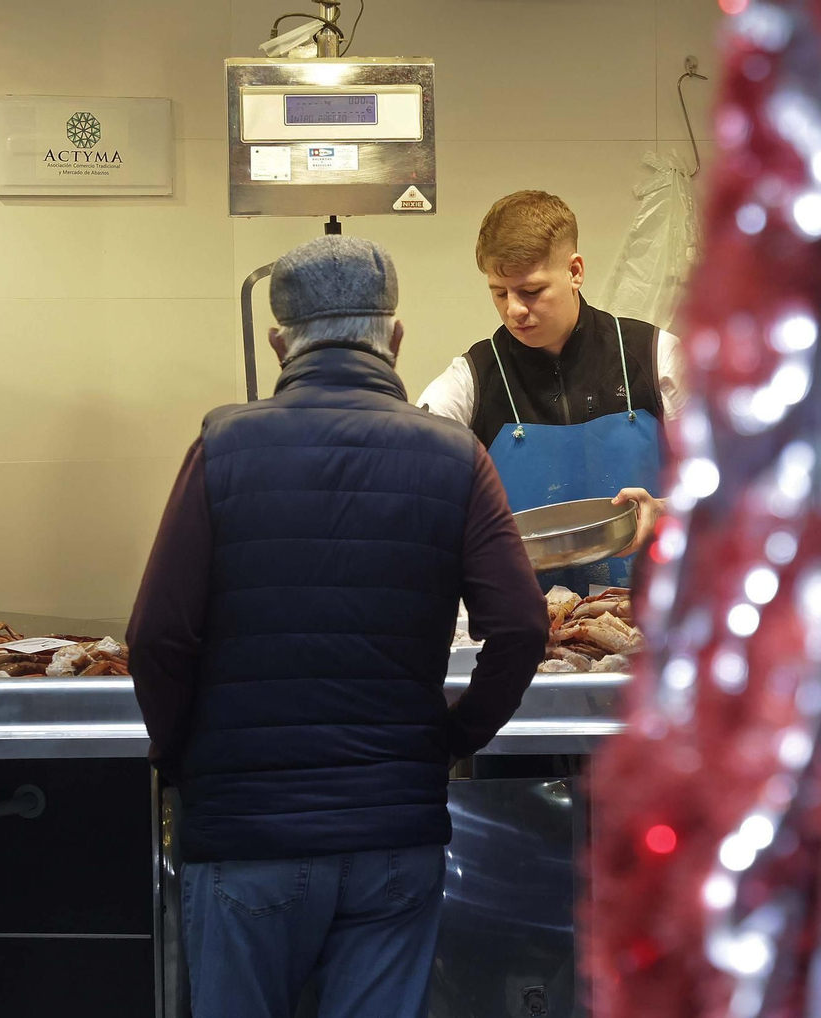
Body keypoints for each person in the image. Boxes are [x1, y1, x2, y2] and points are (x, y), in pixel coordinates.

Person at [126, 236, 549, 1018]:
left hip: (244, 837)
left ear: (279, 343)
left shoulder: (222, 445)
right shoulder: (456, 456)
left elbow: (156, 635)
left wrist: (179, 757)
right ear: (393, 339)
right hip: (395, 833)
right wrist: (453, 738)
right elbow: (522, 628)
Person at [417, 190, 686, 590]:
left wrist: (667, 510)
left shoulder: (656, 356)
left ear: (575, 271)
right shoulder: (472, 378)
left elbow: (735, 483)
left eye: (531, 291)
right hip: (525, 622)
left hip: (649, 615)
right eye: (499, 292)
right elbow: (409, 473)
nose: (514, 310)